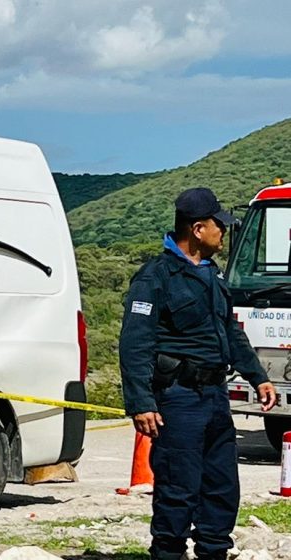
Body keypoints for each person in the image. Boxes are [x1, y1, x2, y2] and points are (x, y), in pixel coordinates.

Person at [119, 187, 277, 560]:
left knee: (221, 490)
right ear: (198, 229)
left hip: (214, 398)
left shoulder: (210, 275)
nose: (224, 232)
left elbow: (230, 332)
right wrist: (141, 402)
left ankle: (213, 553)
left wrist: (258, 375)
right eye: (219, 226)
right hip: (178, 399)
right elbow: (134, 344)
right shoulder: (155, 278)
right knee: (178, 492)